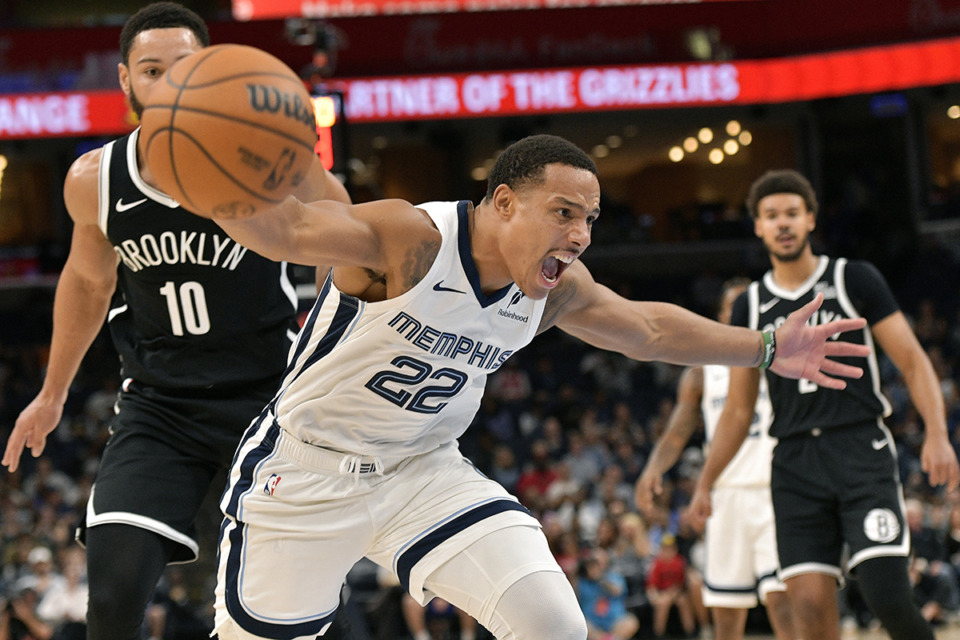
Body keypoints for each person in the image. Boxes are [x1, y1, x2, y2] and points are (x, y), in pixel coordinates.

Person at [207, 134, 869, 640]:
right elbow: (288, 229)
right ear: (503, 202)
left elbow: (647, 330)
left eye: (590, 219)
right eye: (563, 213)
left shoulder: (552, 289)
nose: (580, 235)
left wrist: (770, 347)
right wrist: (190, 163)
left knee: (552, 622)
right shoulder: (411, 239)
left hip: (422, 474)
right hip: (305, 474)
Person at [0, 4, 350, 640]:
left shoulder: (269, 160)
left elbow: (346, 237)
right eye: (150, 70)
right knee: (111, 594)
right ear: (126, 81)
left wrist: (331, 348)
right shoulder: (95, 179)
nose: (166, 84)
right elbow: (86, 281)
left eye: (182, 69)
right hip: (161, 405)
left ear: (210, 74)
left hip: (270, 396)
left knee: (305, 606)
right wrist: (51, 395)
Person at [689, 169, 960, 640]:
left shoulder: (853, 278)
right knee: (809, 611)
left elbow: (914, 362)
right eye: (771, 216)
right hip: (794, 463)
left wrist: (937, 435)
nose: (783, 223)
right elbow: (737, 410)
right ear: (757, 226)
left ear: (810, 218)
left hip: (860, 450)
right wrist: (706, 482)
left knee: (888, 599)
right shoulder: (749, 306)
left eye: (792, 213)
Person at [635, 278, 795, 640]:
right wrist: (652, 469)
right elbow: (676, 433)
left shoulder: (782, 361)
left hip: (776, 492)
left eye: (746, 305)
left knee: (782, 601)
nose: (739, 312)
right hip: (724, 497)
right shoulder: (701, 372)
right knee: (726, 610)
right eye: (731, 306)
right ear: (721, 314)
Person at [578, 547, 639, 640]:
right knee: (582, 624)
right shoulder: (583, 582)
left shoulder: (614, 576)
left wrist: (601, 579)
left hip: (615, 623)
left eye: (598, 562)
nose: (595, 566)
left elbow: (617, 591)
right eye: (592, 563)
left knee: (631, 622)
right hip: (593, 625)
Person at [645, 534, 695, 638]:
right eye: (665, 548)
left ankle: (690, 632)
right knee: (663, 603)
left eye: (670, 548)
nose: (668, 551)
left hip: (677, 592)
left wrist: (673, 593)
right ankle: (659, 634)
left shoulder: (679, 562)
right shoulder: (657, 563)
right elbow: (652, 584)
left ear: (675, 549)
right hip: (662, 592)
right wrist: (654, 596)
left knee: (683, 602)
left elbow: (681, 584)